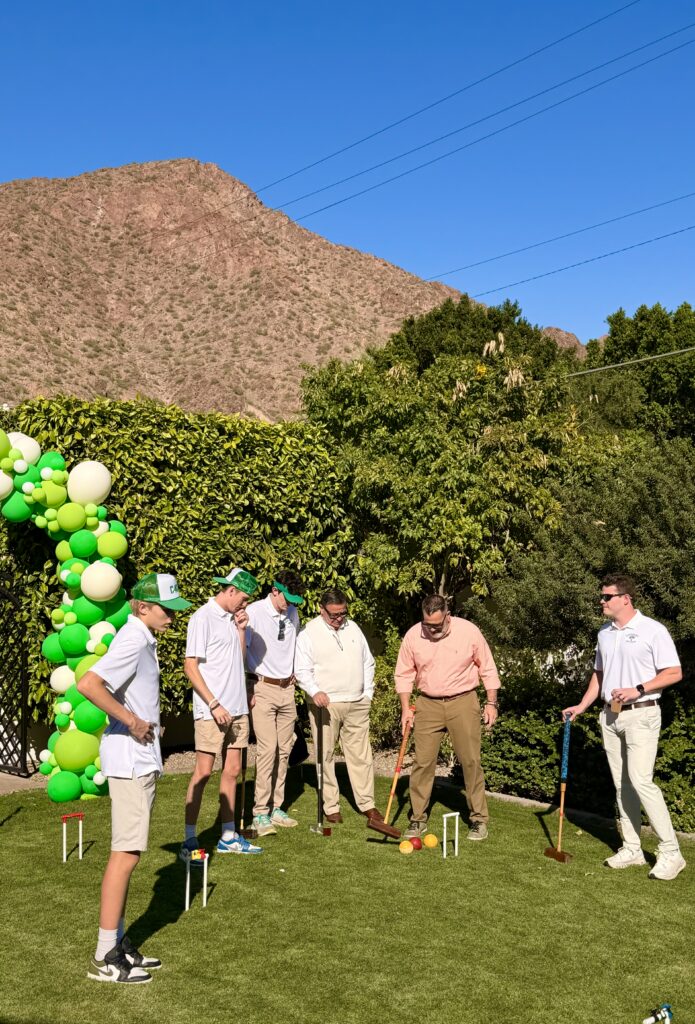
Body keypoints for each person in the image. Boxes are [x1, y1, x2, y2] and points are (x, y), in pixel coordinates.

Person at [77, 572, 192, 984]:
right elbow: (88, 683)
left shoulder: (143, 638)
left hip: (138, 760)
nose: (172, 617)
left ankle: (120, 940)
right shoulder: (131, 638)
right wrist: (132, 721)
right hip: (129, 760)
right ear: (142, 607)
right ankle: (106, 954)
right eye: (166, 609)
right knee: (125, 855)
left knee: (130, 853)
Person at [563, 574, 686, 881]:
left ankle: (671, 852)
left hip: (642, 714)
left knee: (642, 781)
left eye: (607, 597)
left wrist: (639, 688)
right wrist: (582, 705)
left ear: (625, 598)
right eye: (601, 597)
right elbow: (599, 675)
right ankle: (631, 848)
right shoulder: (605, 633)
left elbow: (673, 672)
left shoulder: (652, 630)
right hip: (610, 716)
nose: (601, 601)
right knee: (622, 785)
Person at [394, 594, 500, 841]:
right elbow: (404, 674)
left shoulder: (469, 631)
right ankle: (418, 819)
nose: (431, 630)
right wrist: (405, 707)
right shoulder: (413, 635)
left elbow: (487, 667)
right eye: (427, 625)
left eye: (437, 625)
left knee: (471, 761)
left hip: (463, 701)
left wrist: (491, 702)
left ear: (448, 616)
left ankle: (478, 820)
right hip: (427, 703)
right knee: (422, 762)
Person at [180, 567, 262, 860]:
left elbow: (238, 660)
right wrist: (214, 703)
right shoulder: (202, 618)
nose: (245, 604)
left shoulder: (233, 620)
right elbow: (190, 666)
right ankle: (189, 838)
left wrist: (241, 630)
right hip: (211, 710)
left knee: (234, 771)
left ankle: (228, 836)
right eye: (243, 598)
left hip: (238, 708)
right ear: (229, 591)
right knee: (203, 772)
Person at [294, 588, 383, 823]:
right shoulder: (308, 633)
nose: (339, 619)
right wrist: (314, 691)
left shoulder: (352, 627)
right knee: (326, 755)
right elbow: (302, 670)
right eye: (333, 615)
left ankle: (367, 804)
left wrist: (367, 693)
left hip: (357, 702)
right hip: (326, 704)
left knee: (361, 755)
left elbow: (368, 662)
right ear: (321, 610)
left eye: (342, 613)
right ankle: (330, 805)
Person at [246, 570, 305, 836]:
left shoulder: (292, 612)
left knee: (284, 750)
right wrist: (248, 684)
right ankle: (259, 812)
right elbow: (242, 648)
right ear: (274, 590)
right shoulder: (255, 612)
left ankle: (276, 807)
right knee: (267, 750)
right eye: (286, 598)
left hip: (287, 689)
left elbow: (292, 646)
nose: (289, 604)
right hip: (263, 687)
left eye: (293, 600)